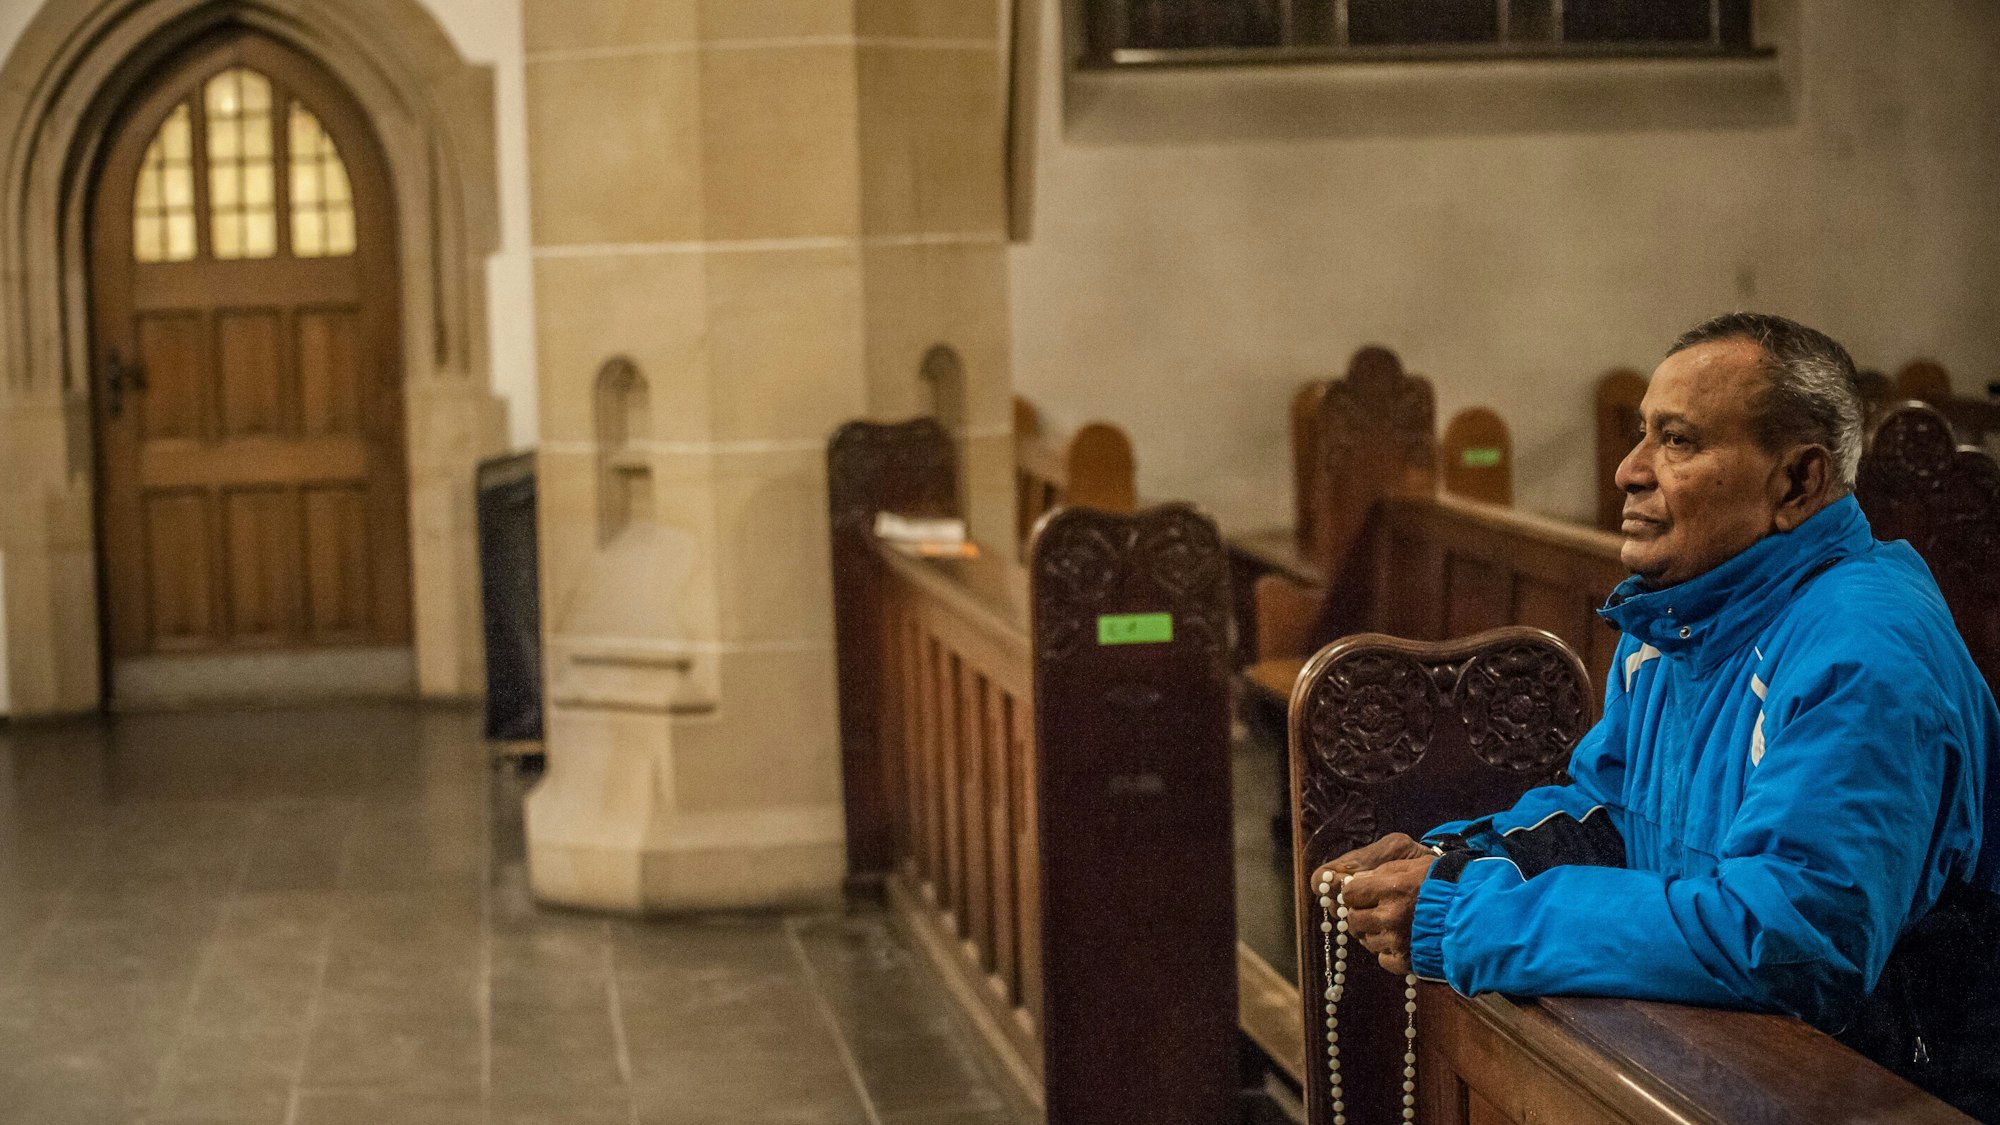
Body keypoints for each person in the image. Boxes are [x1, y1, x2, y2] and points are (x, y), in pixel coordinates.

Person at [1316, 312, 2000, 1120]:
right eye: (1642, 434)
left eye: (1676, 441)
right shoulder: (1682, 624)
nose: (1627, 470)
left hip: (1883, 1089)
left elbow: (1790, 939)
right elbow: (1608, 815)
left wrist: (1468, 913)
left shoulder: (1862, 654)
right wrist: (1456, 857)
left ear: (1798, 483)